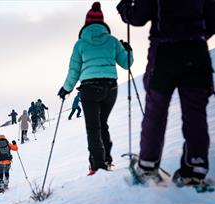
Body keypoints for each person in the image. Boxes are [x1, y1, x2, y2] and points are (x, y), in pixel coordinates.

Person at [117, 0, 215, 185]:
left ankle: (147, 166)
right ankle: (195, 167)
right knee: (195, 113)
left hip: (164, 52)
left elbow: (138, 16)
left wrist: (124, 8)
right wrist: (195, 35)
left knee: (156, 111)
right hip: (196, 50)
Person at [58, 2, 133, 175]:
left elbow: (74, 71)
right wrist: (128, 50)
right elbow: (127, 63)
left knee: (93, 127)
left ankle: (97, 165)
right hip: (110, 88)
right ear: (102, 23)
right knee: (102, 123)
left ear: (86, 24)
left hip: (89, 89)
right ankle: (107, 160)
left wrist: (65, 89)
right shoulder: (113, 41)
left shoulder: (80, 44)